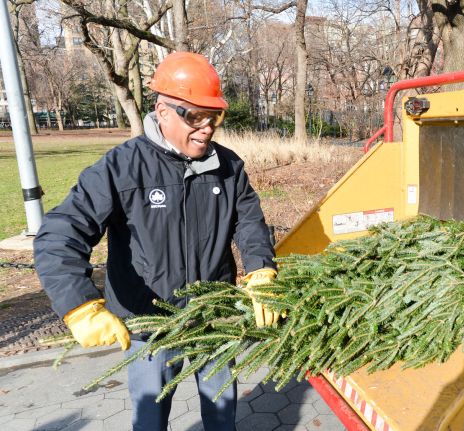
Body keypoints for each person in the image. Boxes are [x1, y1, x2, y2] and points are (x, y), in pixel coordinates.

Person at [33, 52, 281, 431]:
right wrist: (78, 305)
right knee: (150, 420)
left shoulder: (230, 168)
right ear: (162, 110)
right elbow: (60, 233)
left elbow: (249, 224)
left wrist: (262, 268)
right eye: (193, 116)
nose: (206, 127)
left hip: (211, 320)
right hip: (147, 324)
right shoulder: (121, 167)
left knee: (222, 415)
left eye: (213, 116)